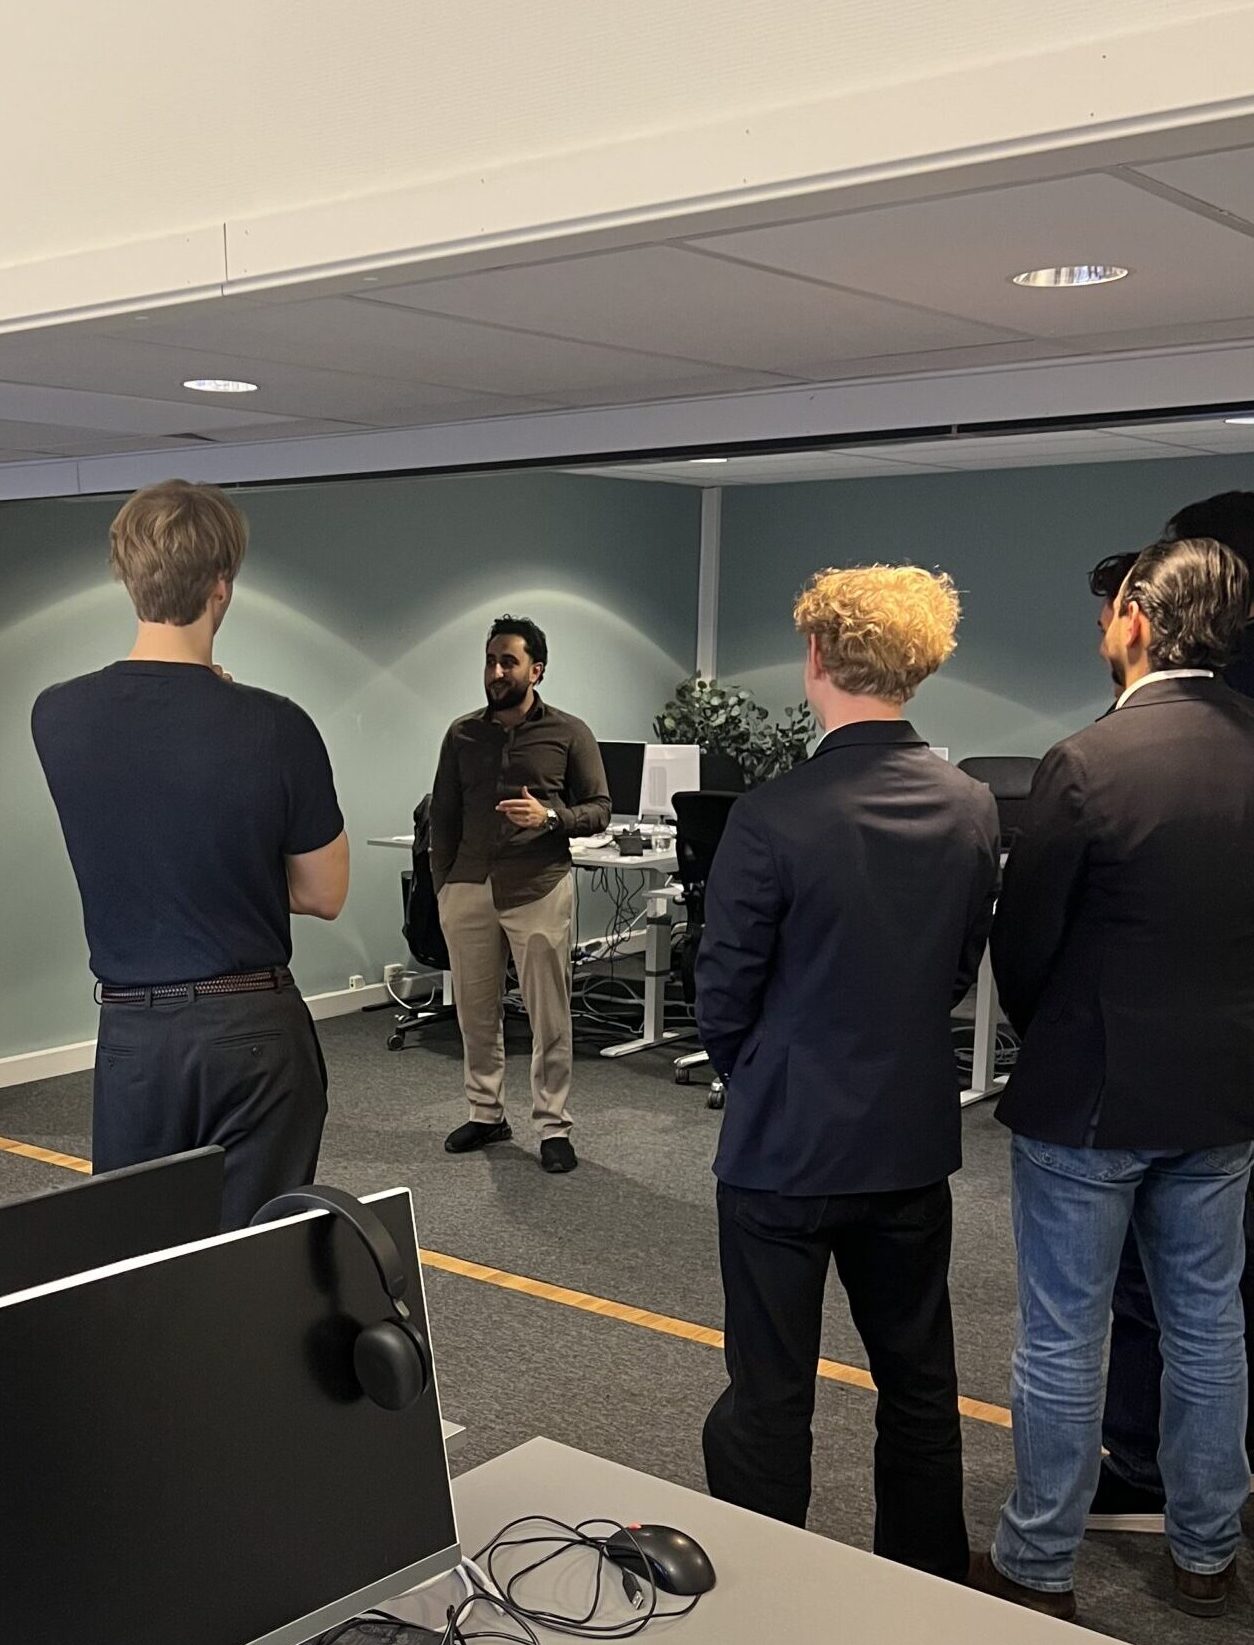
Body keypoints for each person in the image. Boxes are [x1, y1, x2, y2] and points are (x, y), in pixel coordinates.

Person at [696, 566, 1000, 1583]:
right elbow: (957, 969)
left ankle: (763, 1584)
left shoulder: (772, 813)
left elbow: (723, 993)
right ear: (920, 665)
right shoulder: (971, 806)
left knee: (770, 1391)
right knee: (918, 1384)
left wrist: (763, 1072)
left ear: (818, 656)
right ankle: (923, 1585)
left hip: (783, 1144)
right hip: (907, 1140)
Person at [972, 537, 1254, 1621]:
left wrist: (1051, 1032)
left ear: (1138, 619)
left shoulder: (1087, 760)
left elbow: (1025, 938)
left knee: (1063, 1335)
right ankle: (1207, 1553)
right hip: (1223, 1098)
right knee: (1209, 1327)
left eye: (1112, 608)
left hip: (1090, 1096)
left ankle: (1038, 1563)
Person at [32, 480, 348, 1231]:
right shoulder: (277, 725)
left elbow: (146, 826)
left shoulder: (56, 714)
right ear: (221, 584)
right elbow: (323, 891)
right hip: (253, 1027)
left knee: (137, 1254)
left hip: (134, 1035)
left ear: (128, 576)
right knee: (250, 1256)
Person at [1086, 493, 1254, 1537]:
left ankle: (1138, 1482)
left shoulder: (1114, 746)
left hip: (1135, 1072)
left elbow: (1042, 936)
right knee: (1211, 1302)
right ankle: (1203, 1520)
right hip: (1228, 1065)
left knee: (1142, 1300)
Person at [431, 616, 609, 1175]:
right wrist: (444, 886)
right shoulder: (462, 734)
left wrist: (550, 816)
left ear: (537, 670)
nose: (496, 671)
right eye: (490, 660)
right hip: (468, 884)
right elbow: (443, 814)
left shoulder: (569, 733)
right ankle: (486, 1113)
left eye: (508, 661)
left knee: (548, 1015)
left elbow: (600, 808)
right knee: (475, 1012)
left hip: (537, 884)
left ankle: (553, 1125)